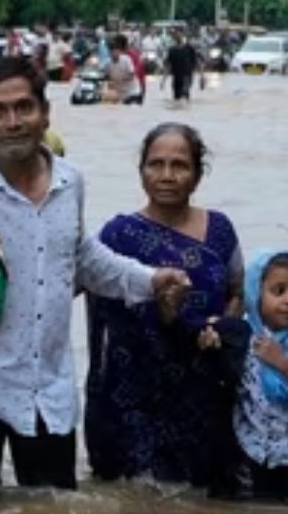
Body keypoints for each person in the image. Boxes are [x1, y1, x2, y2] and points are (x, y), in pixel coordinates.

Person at [0, 57, 191, 508]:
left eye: (23, 108)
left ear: (45, 113)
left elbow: (84, 259)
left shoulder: (71, 182)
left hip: (46, 387)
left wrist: (152, 280)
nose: (13, 122)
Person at [84, 123, 244, 491]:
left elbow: (238, 291)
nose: (167, 176)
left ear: (198, 174)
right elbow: (74, 281)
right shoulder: (117, 235)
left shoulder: (220, 230)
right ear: (141, 171)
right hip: (134, 398)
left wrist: (220, 327)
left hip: (202, 390)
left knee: (201, 501)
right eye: (155, 164)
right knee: (137, 504)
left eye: (179, 165)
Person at [202, 251, 288, 506]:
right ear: (256, 293)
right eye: (279, 290)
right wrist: (210, 338)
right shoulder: (240, 336)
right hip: (247, 453)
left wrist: (287, 367)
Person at [163, 29, 200, 104]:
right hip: (176, 78)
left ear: (183, 36)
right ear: (174, 38)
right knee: (176, 99)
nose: (178, 37)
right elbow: (168, 66)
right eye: (176, 36)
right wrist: (163, 80)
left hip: (187, 76)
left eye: (180, 35)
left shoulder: (189, 48)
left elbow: (197, 61)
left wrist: (202, 77)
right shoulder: (172, 50)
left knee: (184, 97)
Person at [105, 35, 143, 105]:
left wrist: (120, 79)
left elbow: (131, 75)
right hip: (121, 95)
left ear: (119, 51)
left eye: (115, 50)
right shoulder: (108, 64)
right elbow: (107, 77)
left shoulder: (126, 59)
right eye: (111, 51)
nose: (113, 53)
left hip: (133, 93)